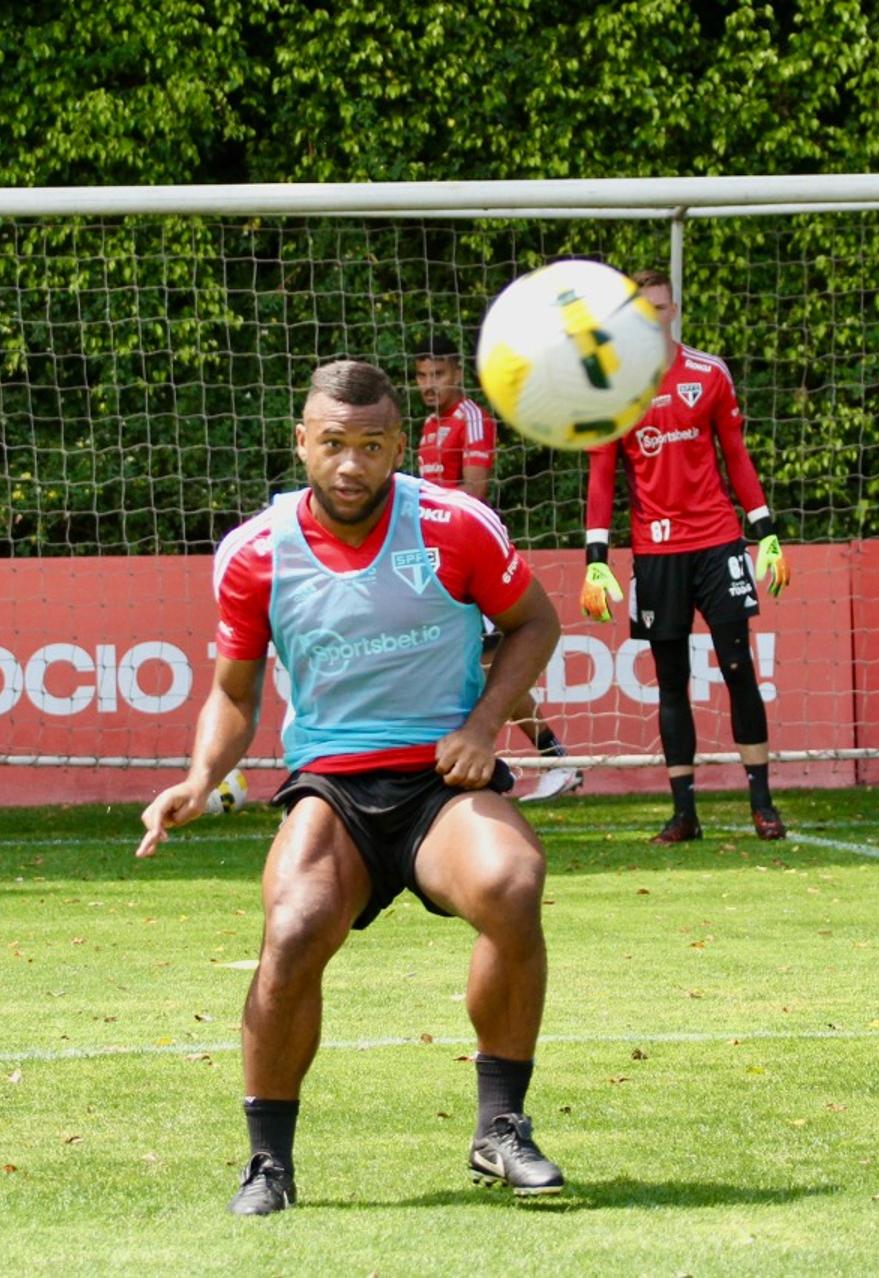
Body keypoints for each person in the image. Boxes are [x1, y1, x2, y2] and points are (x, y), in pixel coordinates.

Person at [136, 360, 568, 1214]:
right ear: (302, 442)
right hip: (332, 785)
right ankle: (269, 1164)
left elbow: (535, 623)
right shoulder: (255, 553)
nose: (350, 465)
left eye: (371, 446)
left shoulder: (456, 525)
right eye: (333, 444)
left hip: (441, 782)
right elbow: (234, 690)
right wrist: (199, 778)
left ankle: (501, 1127)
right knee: (292, 930)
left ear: (398, 446)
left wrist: (483, 727)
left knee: (512, 885)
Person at [579, 270, 792, 844]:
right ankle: (684, 814)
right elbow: (602, 478)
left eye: (660, 307)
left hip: (718, 541)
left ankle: (763, 805)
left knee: (739, 668)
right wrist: (595, 556)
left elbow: (737, 458)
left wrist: (764, 531)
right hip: (655, 552)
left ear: (673, 310)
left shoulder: (708, 372)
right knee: (671, 681)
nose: (652, 318)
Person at [415, 333, 584, 803]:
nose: (430, 385)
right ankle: (548, 759)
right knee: (467, 663)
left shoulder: (471, 417)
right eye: (422, 376)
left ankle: (552, 759)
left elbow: (473, 491)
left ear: (457, 374)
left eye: (439, 374)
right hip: (434, 559)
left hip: (467, 556)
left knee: (488, 663)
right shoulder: (429, 425)